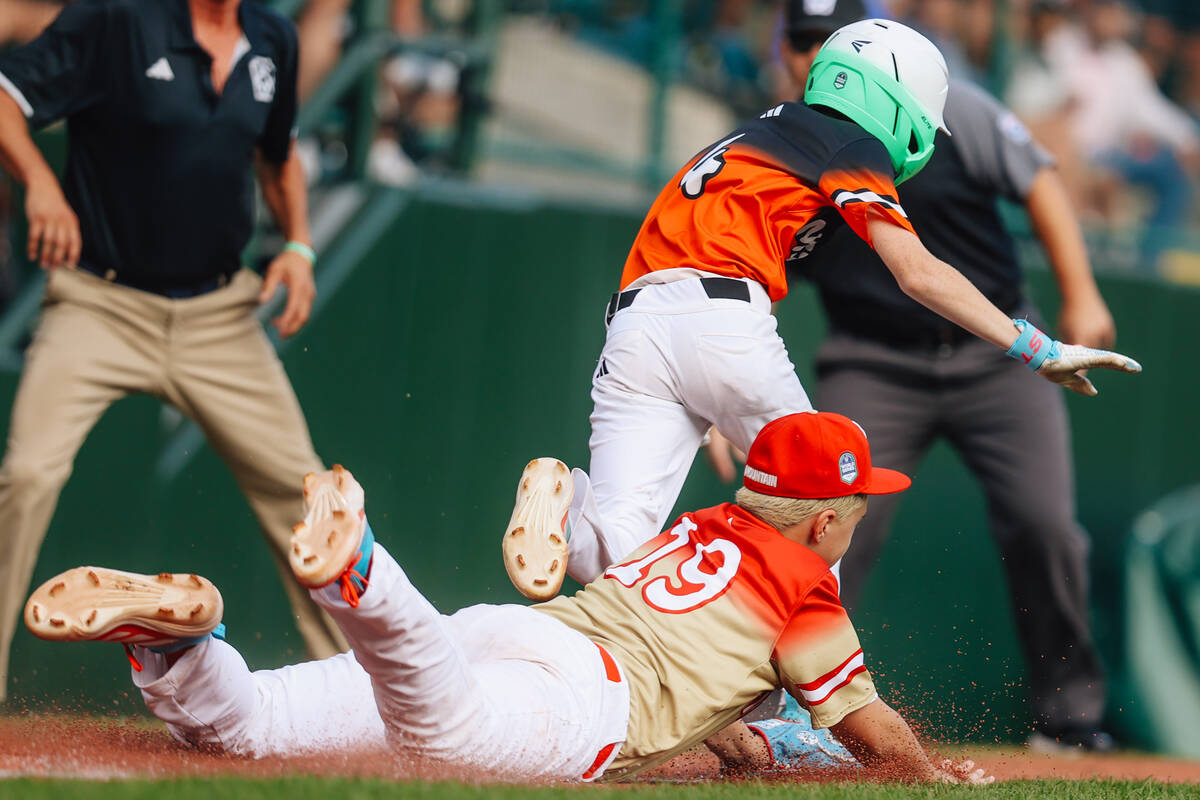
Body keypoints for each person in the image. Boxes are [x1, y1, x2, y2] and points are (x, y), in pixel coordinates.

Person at [500, 16, 1141, 604]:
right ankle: (791, 722)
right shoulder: (845, 143)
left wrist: (713, 392)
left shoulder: (757, 129)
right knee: (823, 514)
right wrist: (1037, 348)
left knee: (614, 550)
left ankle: (563, 508)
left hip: (636, 327)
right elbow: (917, 274)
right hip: (723, 319)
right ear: (898, 98)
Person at [24, 412, 990, 784]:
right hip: (576, 702)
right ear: (822, 519)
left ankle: (172, 647)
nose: (861, 519)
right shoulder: (806, 589)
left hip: (520, 630)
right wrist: (932, 777)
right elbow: (870, 729)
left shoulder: (704, 527)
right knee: (442, 737)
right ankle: (362, 572)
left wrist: (750, 750)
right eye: (858, 504)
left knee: (243, 729)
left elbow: (731, 728)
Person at [707, 0, 1118, 752]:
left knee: (1044, 524)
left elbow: (1041, 183)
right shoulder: (782, 142)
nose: (806, 55)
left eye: (821, 41)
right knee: (816, 522)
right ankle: (765, 710)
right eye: (797, 41)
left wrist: (1082, 292)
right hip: (875, 359)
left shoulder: (945, 104)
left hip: (992, 358)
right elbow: (737, 268)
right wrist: (715, 390)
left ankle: (1069, 719)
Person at [0, 0, 349, 702]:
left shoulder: (272, 37)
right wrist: (40, 183)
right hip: (100, 304)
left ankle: (363, 689)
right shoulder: (117, 20)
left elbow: (277, 157)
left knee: (308, 498)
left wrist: (301, 246)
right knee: (27, 475)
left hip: (220, 317)